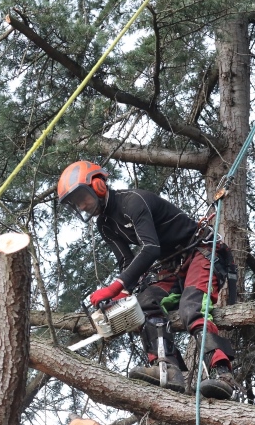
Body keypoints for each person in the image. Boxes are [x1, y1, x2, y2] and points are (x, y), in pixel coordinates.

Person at [57, 160, 240, 400]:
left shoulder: (132, 202)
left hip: (200, 251)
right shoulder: (105, 226)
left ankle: (222, 372)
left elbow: (150, 248)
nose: (82, 206)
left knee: (191, 308)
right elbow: (126, 261)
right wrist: (123, 293)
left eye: (82, 197)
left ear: (98, 185)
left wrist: (115, 287)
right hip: (171, 266)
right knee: (144, 303)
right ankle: (167, 368)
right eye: (76, 203)